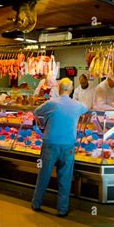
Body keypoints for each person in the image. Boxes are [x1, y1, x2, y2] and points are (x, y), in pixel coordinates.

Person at [32, 78, 88, 217]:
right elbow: (87, 108)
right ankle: (62, 210)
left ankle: (36, 204)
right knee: (65, 178)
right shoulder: (77, 105)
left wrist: (44, 122)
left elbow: (36, 112)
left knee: (43, 175)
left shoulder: (52, 103)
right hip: (68, 146)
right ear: (71, 89)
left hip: (50, 144)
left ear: (58, 87)